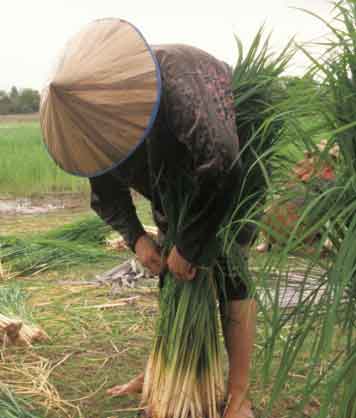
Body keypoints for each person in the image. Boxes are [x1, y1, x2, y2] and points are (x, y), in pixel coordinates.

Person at [40, 19, 256, 418]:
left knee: (228, 267)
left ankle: (238, 393)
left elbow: (222, 164)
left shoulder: (181, 80)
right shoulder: (91, 123)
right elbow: (105, 195)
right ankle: (162, 371)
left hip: (230, 175)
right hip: (171, 185)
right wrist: (138, 239)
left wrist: (190, 246)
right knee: (172, 273)